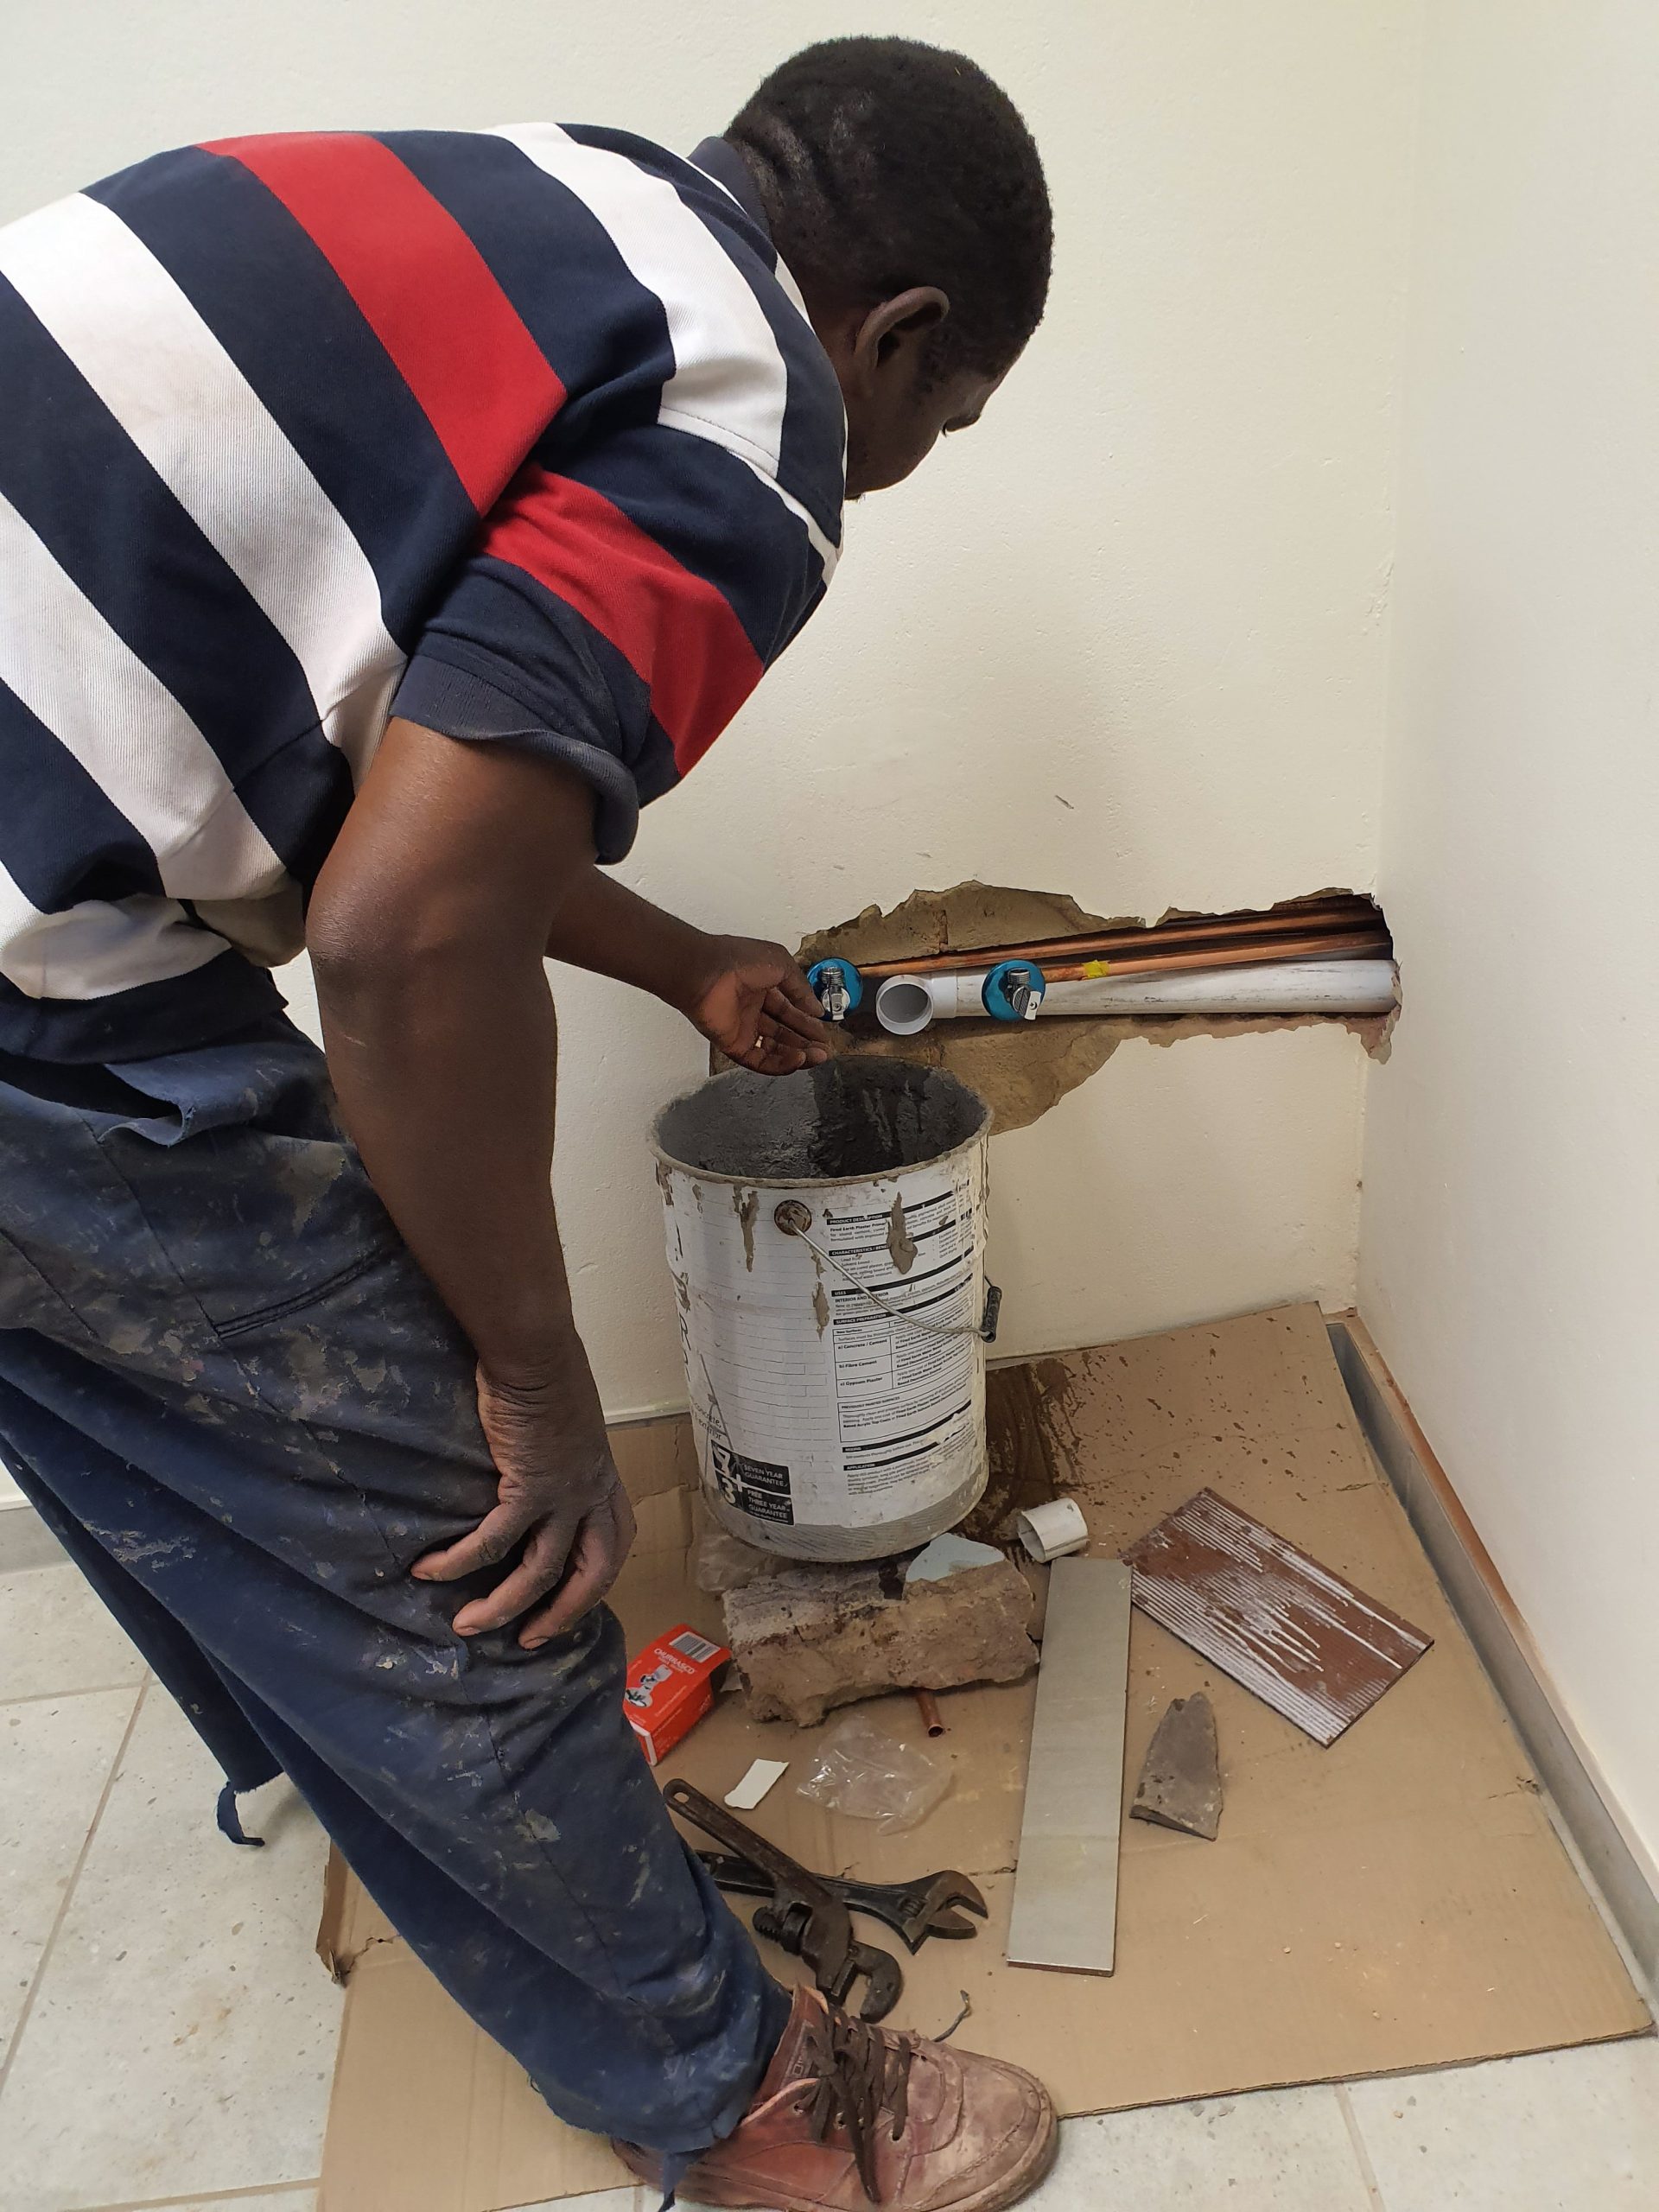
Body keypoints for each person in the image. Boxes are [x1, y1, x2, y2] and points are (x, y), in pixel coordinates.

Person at [0, 35, 1054, 2211]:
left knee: (123, 1402)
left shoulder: (562, 222)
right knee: (466, 1534)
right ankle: (740, 2097)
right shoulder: (753, 421)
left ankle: (363, 1795)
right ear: (904, 336)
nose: (907, 462)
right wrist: (541, 1379)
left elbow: (415, 803)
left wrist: (675, 958)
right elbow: (400, 941)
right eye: (942, 423)